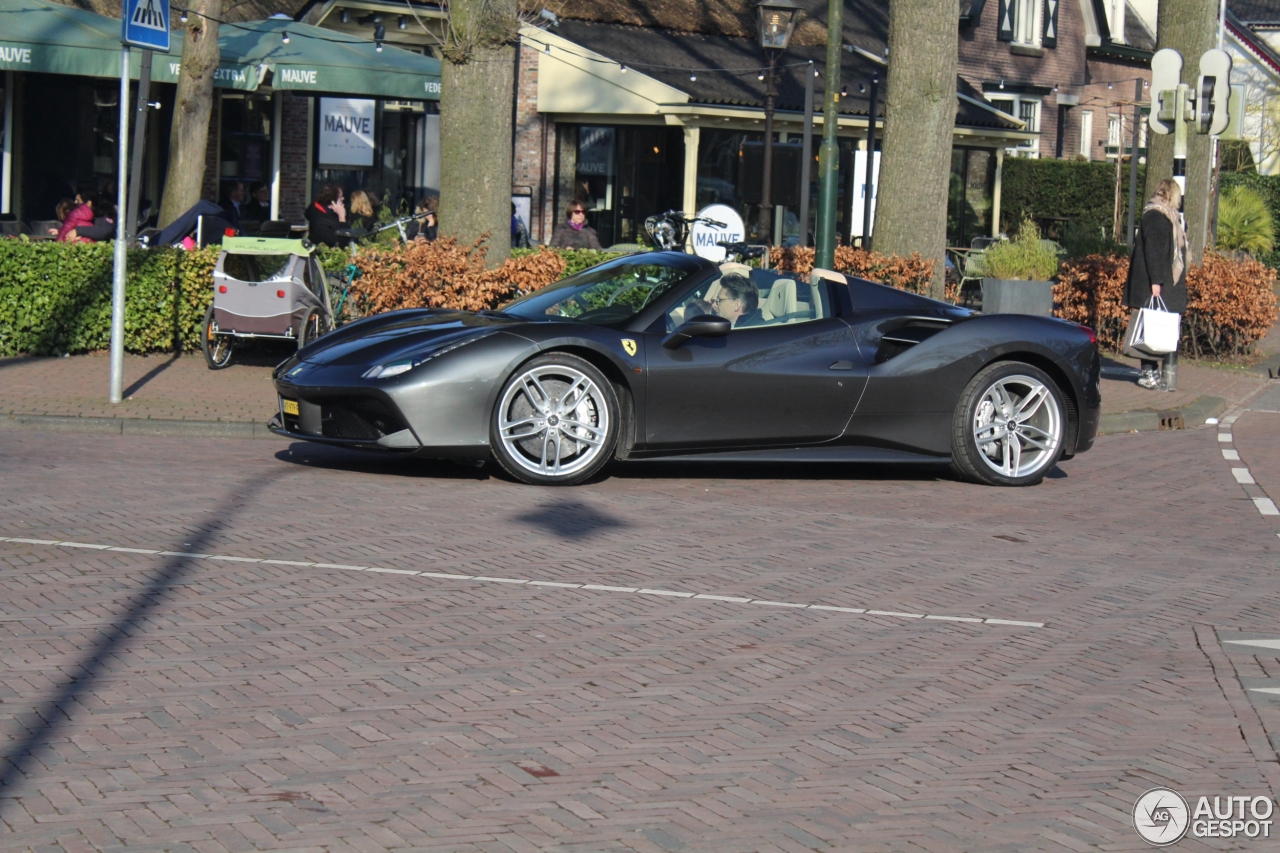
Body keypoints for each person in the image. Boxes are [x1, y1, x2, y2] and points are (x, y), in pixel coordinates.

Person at [1124, 178, 1186, 390]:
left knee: (1155, 329)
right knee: (1151, 329)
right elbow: (1155, 252)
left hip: (1158, 280)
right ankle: (1148, 373)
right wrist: (1156, 282)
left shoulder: (1162, 216)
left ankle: (1152, 372)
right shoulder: (1158, 218)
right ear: (1172, 196)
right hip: (1156, 282)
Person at [305, 183, 349, 247]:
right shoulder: (319, 220)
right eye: (340, 197)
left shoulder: (333, 213)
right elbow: (339, 243)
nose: (343, 198)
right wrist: (342, 217)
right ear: (332, 200)